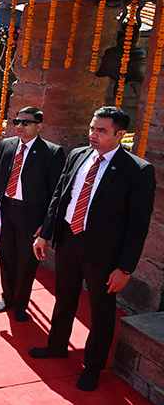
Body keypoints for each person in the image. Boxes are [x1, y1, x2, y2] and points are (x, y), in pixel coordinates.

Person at [29, 106, 156, 392]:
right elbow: (60, 196)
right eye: (91, 128)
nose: (93, 135)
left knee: (100, 311)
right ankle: (57, 345)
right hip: (69, 240)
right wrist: (45, 235)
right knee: (64, 297)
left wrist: (125, 268)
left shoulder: (137, 170)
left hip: (104, 253)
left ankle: (93, 366)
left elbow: (138, 226)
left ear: (120, 134)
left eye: (101, 130)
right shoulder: (78, 155)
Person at [0, 107, 64, 322]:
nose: (20, 126)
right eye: (17, 122)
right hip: (6, 209)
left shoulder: (52, 152)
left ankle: (21, 303)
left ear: (39, 126)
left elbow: (55, 193)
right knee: (6, 256)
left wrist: (46, 225)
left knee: (26, 262)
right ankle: (7, 297)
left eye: (26, 123)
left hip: (30, 215)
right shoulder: (7, 144)